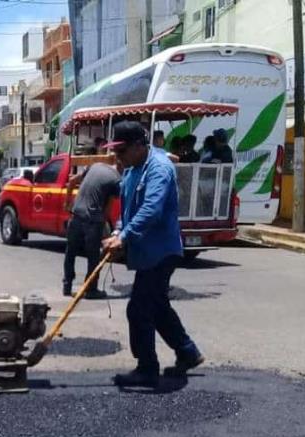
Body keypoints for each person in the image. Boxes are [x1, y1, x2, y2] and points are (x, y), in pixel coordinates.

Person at [101, 121, 204, 388]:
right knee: (157, 307)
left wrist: (124, 237)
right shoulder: (132, 169)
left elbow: (151, 210)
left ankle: (147, 368)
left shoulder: (159, 169)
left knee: (138, 310)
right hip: (146, 250)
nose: (118, 157)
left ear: (138, 145)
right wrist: (118, 232)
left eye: (121, 150)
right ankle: (187, 352)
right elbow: (127, 211)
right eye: (116, 151)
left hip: (161, 251)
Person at [63, 150, 121, 299]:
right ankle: (91, 289)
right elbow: (107, 207)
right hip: (92, 219)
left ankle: (67, 285)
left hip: (76, 214)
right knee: (93, 255)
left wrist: (68, 202)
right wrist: (107, 230)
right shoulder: (116, 180)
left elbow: (72, 182)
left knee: (71, 251)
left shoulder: (95, 166)